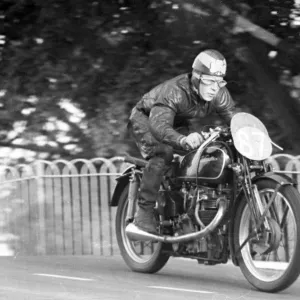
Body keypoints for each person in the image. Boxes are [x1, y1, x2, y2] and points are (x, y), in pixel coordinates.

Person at [127, 49, 237, 234]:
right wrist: (182, 139)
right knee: (164, 153)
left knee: (201, 155)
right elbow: (159, 126)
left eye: (219, 82)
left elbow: (235, 119)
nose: (214, 88)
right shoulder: (175, 91)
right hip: (147, 119)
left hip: (176, 122)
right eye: (209, 81)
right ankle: (143, 214)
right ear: (196, 77)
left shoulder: (219, 93)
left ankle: (183, 206)